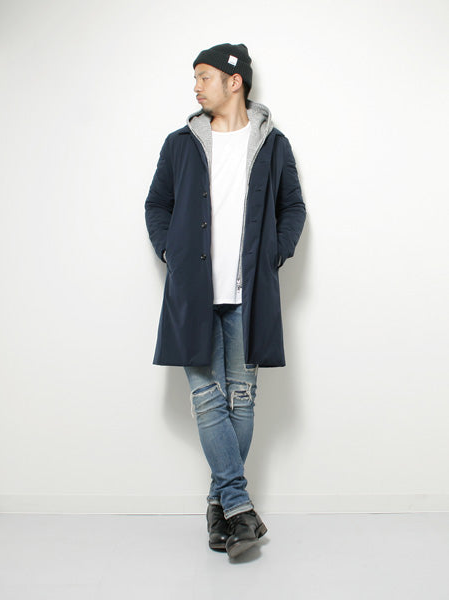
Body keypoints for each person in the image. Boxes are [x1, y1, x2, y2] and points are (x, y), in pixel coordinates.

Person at [144, 42, 306, 559]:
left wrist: (275, 253)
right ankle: (239, 507)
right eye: (195, 77)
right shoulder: (180, 143)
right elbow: (157, 204)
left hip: (247, 291)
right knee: (206, 396)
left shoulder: (272, 144)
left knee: (241, 397)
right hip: (193, 291)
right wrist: (170, 249)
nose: (195, 86)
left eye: (204, 76)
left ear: (234, 81)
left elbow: (293, 206)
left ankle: (220, 508)